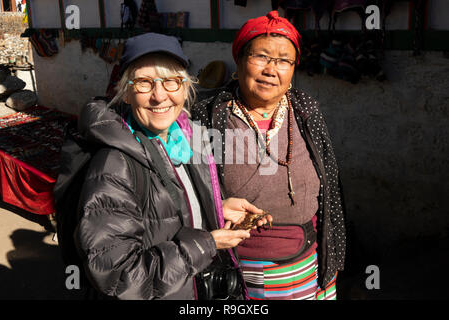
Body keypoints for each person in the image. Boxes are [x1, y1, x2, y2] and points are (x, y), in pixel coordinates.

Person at [73, 32, 270, 300]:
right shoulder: (114, 165)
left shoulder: (187, 138)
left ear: (186, 88)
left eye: (171, 82)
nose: (159, 96)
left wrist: (214, 206)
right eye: (144, 83)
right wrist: (208, 244)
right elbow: (119, 276)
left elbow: (165, 209)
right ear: (126, 93)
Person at [192, 11, 346, 300]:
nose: (271, 69)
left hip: (306, 263)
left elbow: (331, 186)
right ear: (238, 60)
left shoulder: (305, 110)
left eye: (284, 61)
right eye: (260, 56)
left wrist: (332, 255)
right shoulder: (208, 115)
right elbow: (187, 189)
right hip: (234, 269)